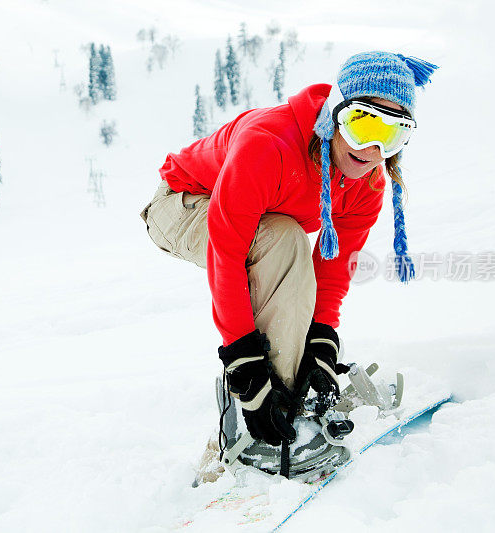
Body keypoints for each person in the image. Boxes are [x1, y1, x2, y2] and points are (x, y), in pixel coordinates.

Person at [139, 51, 438, 456]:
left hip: (262, 221)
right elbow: (227, 255)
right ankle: (258, 422)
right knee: (284, 241)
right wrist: (243, 363)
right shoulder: (267, 144)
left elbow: (331, 271)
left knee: (290, 252)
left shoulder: (367, 183)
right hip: (180, 204)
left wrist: (321, 342)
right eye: (362, 124)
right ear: (336, 113)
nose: (371, 149)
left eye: (392, 135)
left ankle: (298, 385)